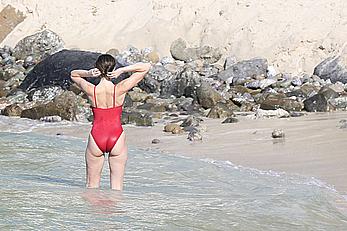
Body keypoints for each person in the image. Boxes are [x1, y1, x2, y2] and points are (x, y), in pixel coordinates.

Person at [71, 54, 151, 190]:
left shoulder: (92, 90)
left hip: (97, 136)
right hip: (116, 136)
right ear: (113, 68)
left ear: (97, 68)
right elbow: (146, 67)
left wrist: (88, 73)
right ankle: (115, 211)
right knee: (117, 188)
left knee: (91, 187)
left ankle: (90, 212)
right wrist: (123, 70)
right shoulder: (120, 88)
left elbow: (73, 75)